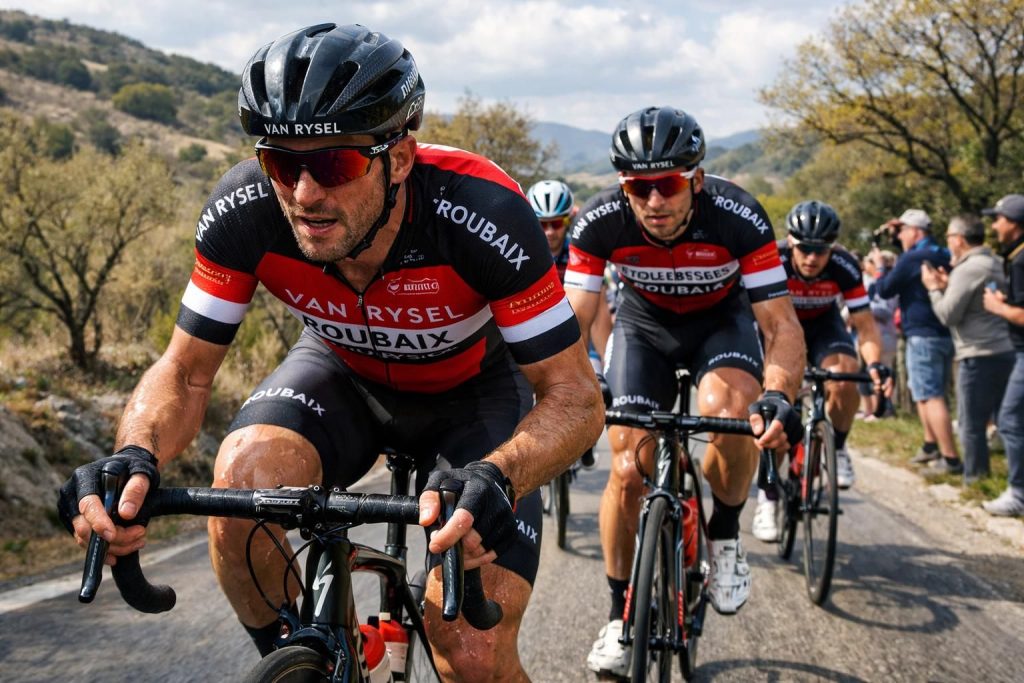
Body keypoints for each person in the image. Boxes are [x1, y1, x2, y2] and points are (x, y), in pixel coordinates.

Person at [56, 23, 603, 682]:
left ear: (398, 158)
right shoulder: (245, 212)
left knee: (469, 646)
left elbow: (574, 397)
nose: (305, 194)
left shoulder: (480, 210)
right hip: (342, 378)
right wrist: (134, 453)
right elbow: (185, 371)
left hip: (476, 401)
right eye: (282, 163)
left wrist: (505, 473)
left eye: (335, 164)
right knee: (241, 479)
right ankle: (313, 659)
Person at [562, 106, 805, 677]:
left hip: (721, 325)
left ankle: (723, 539)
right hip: (645, 331)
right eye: (638, 187)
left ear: (695, 178)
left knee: (733, 412)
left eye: (667, 184)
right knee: (626, 467)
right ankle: (620, 616)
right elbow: (575, 317)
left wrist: (780, 395)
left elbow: (780, 325)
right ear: (623, 185)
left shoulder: (739, 214)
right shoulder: (599, 221)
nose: (653, 201)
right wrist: (569, 381)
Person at [751, 201, 892, 542]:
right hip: (777, 329)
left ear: (833, 248)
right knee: (779, 414)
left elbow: (865, 326)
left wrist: (874, 364)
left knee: (845, 375)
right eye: (805, 248)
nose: (812, 258)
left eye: (821, 250)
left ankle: (838, 448)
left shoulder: (844, 265)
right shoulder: (773, 260)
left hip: (823, 328)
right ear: (790, 242)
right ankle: (767, 498)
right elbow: (749, 318)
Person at [921, 215, 1014, 483]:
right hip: (1005, 350)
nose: (948, 243)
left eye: (949, 237)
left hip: (977, 353)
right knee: (1006, 420)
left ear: (959, 239)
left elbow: (948, 314)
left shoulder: (968, 269)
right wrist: (948, 286)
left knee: (971, 423)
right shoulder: (996, 262)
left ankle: (976, 477)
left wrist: (933, 290)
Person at [526, 178, 612, 469]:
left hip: (576, 329)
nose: (550, 232)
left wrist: (601, 368)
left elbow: (594, 310)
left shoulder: (580, 246)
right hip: (535, 328)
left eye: (557, 223)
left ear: (569, 220)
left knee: (596, 295)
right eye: (542, 224)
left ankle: (586, 430)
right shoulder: (520, 247)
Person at [872, 209, 963, 474]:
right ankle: (929, 444)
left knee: (931, 396)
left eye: (902, 230)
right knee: (926, 393)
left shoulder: (913, 257)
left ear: (915, 231)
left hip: (922, 333)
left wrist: (880, 268)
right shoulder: (942, 253)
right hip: (946, 332)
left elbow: (885, 288)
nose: (898, 236)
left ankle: (950, 459)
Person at [980, 194, 1024, 515]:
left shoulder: (1021, 259)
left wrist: (997, 307)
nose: (994, 225)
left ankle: (1019, 493)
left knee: (1008, 420)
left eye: (999, 218)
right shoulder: (1016, 256)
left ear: (1014, 222)